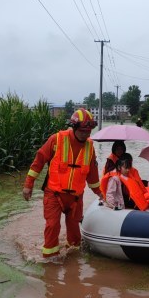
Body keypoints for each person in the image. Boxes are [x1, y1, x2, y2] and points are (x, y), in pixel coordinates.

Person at [22, 108, 103, 259]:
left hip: (76, 199)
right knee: (52, 226)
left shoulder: (90, 147)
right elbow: (39, 160)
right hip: (54, 194)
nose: (87, 134)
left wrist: (101, 194)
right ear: (74, 127)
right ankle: (50, 263)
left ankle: (73, 264)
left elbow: (92, 176)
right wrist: (28, 185)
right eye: (84, 131)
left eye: (89, 131)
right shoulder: (56, 139)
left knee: (74, 235)